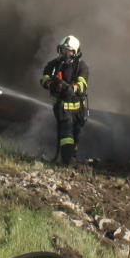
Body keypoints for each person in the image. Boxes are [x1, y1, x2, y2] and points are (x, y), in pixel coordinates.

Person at [41, 35, 90, 164]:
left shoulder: (81, 67)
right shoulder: (53, 65)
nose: (64, 53)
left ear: (75, 52)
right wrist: (51, 84)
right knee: (66, 134)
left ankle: (70, 158)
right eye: (62, 50)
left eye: (68, 51)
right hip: (62, 107)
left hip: (78, 109)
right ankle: (67, 161)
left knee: (75, 136)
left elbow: (82, 85)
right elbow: (44, 78)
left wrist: (70, 88)